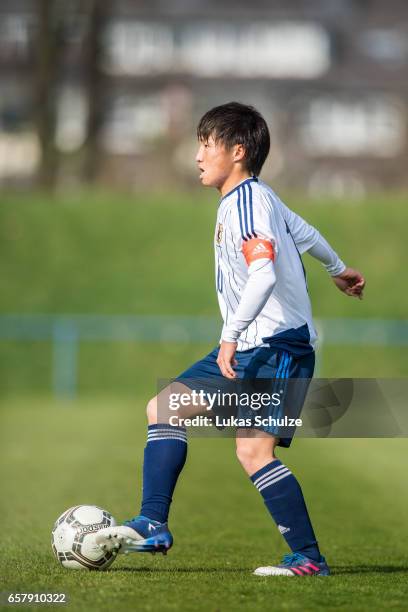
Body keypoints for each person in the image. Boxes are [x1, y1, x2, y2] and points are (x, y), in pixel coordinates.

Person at [96, 102, 365, 577]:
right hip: (254, 346)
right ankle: (153, 523)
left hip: (277, 347)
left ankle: (308, 559)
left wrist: (229, 336)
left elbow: (262, 275)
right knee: (164, 408)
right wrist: (338, 269)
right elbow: (306, 232)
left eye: (206, 144)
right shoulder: (258, 198)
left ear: (237, 151)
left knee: (253, 450)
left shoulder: (247, 203)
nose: (198, 155)